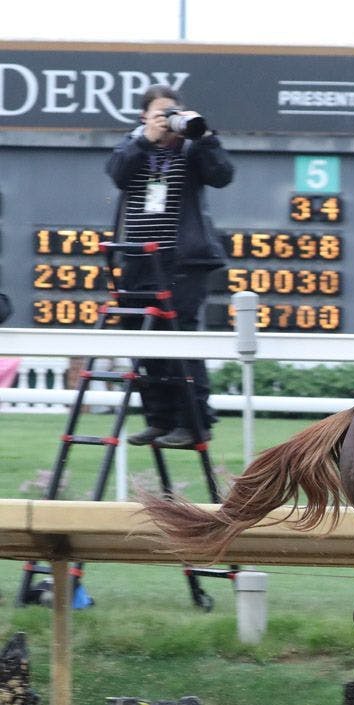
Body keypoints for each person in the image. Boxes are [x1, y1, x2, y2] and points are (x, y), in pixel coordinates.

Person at [108, 83, 233, 448]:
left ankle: (194, 422)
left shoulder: (192, 148)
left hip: (183, 261)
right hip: (138, 259)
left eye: (171, 114)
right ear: (144, 117)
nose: (167, 122)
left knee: (179, 338)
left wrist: (205, 136)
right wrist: (145, 140)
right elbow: (117, 173)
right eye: (160, 114)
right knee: (142, 340)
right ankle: (159, 420)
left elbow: (223, 175)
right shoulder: (130, 146)